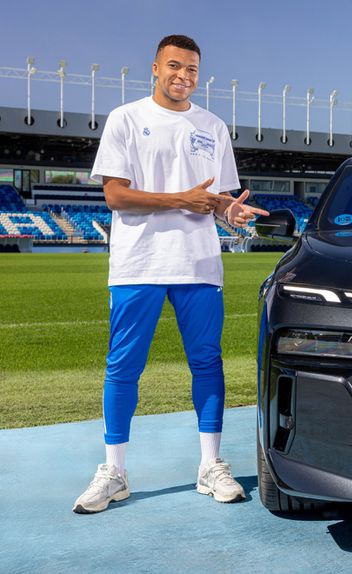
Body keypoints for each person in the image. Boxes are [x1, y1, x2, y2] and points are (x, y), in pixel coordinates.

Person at [73, 34, 268, 514]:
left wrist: (231, 213)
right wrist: (181, 198)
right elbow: (116, 195)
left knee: (207, 362)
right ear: (155, 68)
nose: (184, 76)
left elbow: (217, 198)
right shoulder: (126, 118)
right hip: (137, 262)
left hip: (199, 263)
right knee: (124, 366)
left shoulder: (212, 126)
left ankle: (210, 465)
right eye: (175, 67)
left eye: (193, 70)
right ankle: (114, 472)